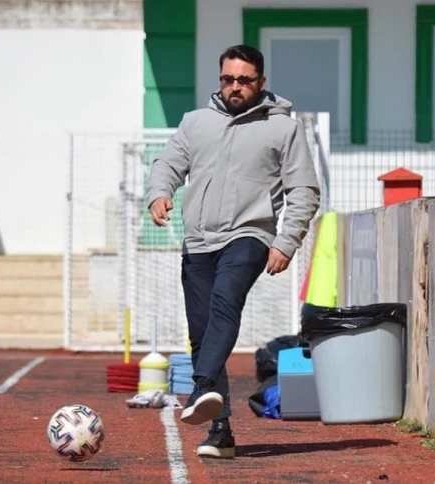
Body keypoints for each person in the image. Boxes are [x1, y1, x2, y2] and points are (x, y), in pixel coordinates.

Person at [145, 44, 320, 459]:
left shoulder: (284, 129)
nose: (235, 86)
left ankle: (199, 386)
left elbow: (304, 191)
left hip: (250, 235)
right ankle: (220, 432)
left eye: (244, 80)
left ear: (261, 82)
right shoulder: (195, 123)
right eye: (228, 79)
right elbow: (166, 164)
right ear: (220, 79)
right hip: (198, 241)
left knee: (225, 302)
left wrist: (286, 241)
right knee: (201, 331)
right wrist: (159, 193)